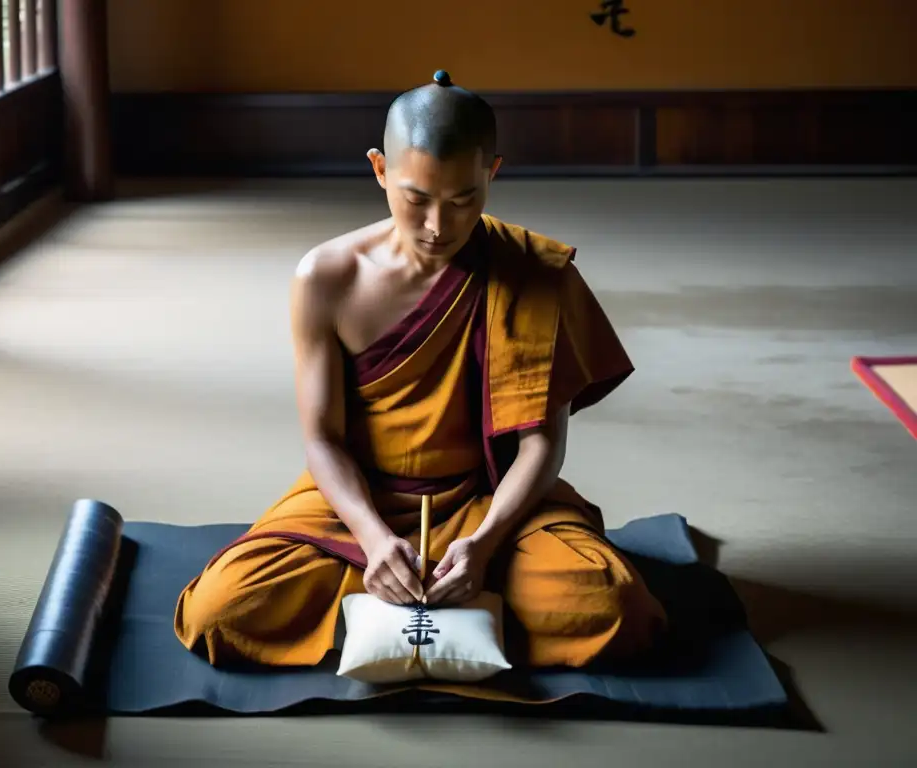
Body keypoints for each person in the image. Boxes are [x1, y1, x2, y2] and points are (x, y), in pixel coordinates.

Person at [174, 71, 666, 678]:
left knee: (614, 607)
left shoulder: (536, 274)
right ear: (380, 170)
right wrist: (377, 541)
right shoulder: (327, 278)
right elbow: (323, 440)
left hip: (487, 499)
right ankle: (435, 596)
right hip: (359, 500)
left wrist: (484, 545)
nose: (439, 225)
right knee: (222, 612)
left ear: (493, 172)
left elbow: (542, 443)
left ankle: (430, 593)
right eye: (417, 198)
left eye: (464, 199)